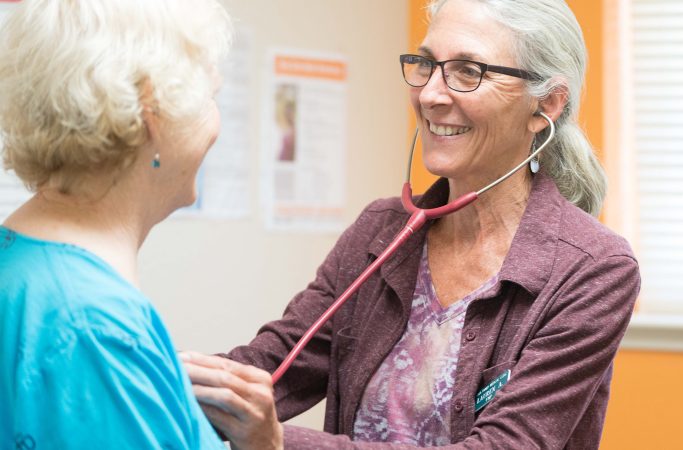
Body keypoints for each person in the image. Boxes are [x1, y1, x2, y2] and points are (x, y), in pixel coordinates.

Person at [184, 0, 641, 448]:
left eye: (468, 71)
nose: (429, 95)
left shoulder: (595, 270)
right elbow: (271, 366)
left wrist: (278, 443)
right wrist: (148, 370)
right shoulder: (380, 231)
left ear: (548, 105)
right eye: (426, 65)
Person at [0, 1, 280, 448]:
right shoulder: (94, 329)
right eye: (211, 96)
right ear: (152, 110)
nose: (215, 125)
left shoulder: (20, 262)